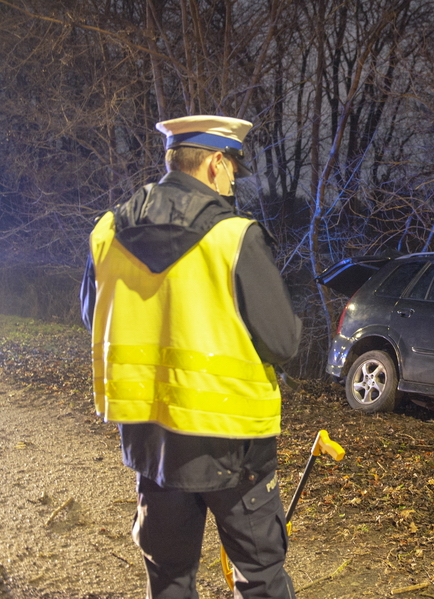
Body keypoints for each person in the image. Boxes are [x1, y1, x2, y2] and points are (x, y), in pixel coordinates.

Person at [80, 115, 302, 599]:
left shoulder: (108, 230)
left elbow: (92, 314)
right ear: (215, 163)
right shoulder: (234, 236)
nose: (232, 183)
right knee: (260, 576)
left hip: (151, 436)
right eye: (232, 172)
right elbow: (284, 342)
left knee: (169, 576)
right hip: (233, 443)